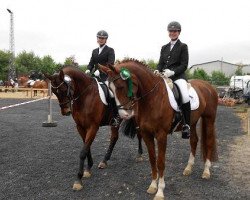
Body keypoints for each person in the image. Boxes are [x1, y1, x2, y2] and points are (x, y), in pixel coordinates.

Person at [155, 21, 191, 139]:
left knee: (184, 95)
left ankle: (186, 125)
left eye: (175, 31)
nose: (173, 33)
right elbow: (160, 63)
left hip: (178, 77)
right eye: (171, 31)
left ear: (179, 32)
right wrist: (157, 70)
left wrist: (173, 72)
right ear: (168, 33)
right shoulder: (164, 47)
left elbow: (184, 65)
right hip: (164, 76)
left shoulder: (183, 46)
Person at [86, 30, 120, 126]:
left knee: (111, 94)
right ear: (97, 39)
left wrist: (101, 71)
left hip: (106, 77)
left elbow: (110, 64)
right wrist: (88, 69)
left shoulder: (110, 50)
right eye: (99, 38)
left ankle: (114, 116)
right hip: (95, 77)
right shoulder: (94, 51)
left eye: (103, 38)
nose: (101, 40)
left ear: (106, 40)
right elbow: (91, 63)